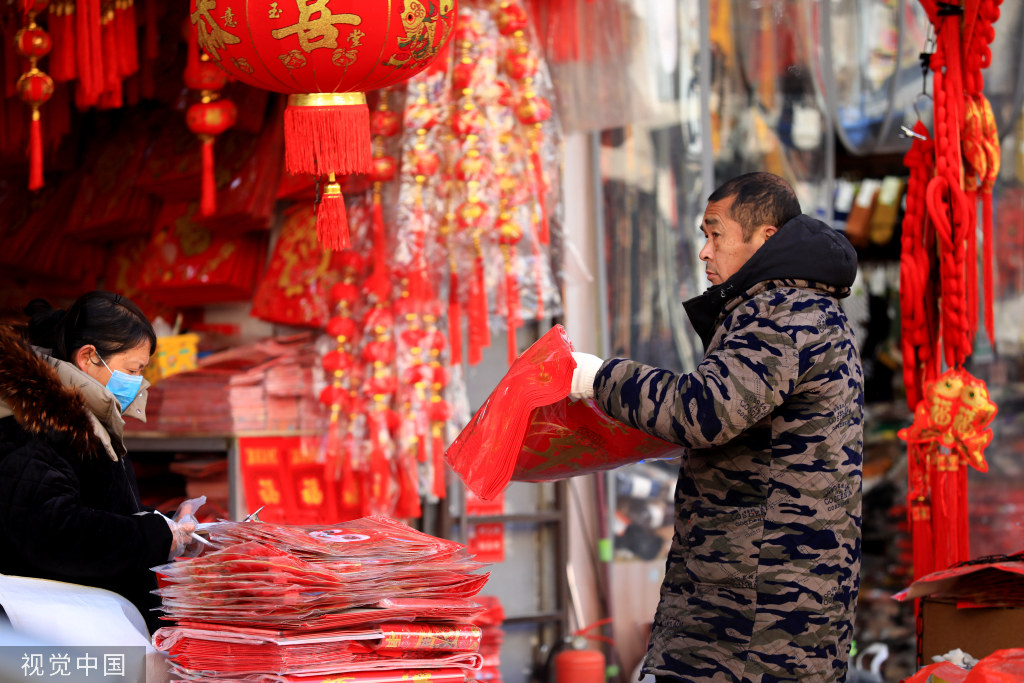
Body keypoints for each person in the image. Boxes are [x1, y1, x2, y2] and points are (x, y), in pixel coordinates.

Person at [571, 172, 864, 682]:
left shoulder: (784, 314)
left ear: (765, 237)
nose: (705, 252)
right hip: (759, 595)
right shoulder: (800, 309)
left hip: (756, 615)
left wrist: (600, 377)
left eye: (716, 234)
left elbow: (706, 410)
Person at [0, 290, 204, 636]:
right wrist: (153, 537)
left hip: (92, 628)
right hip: (56, 637)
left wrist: (168, 526)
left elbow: (101, 507)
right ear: (89, 358)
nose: (139, 382)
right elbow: (53, 532)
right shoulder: (34, 422)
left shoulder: (85, 417)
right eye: (133, 369)